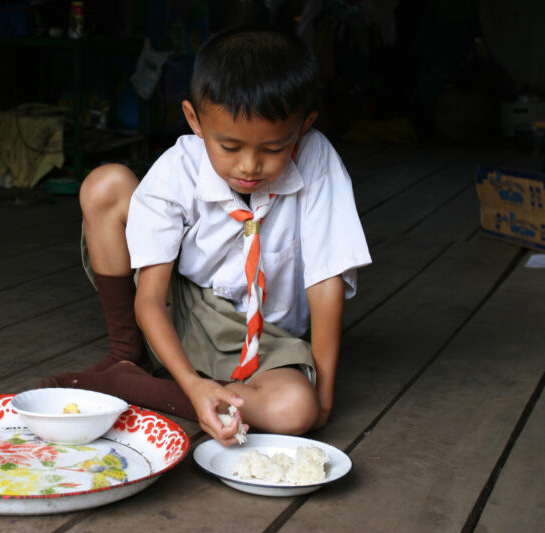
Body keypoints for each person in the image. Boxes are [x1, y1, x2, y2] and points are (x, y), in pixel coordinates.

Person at [40, 27, 371, 446]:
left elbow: (326, 281)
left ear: (303, 127)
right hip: (181, 309)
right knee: (105, 184)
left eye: (273, 149)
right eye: (229, 146)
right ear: (195, 120)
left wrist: (322, 398)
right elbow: (150, 298)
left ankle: (133, 386)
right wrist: (194, 387)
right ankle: (127, 357)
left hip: (265, 337)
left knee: (295, 410)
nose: (250, 166)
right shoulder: (179, 169)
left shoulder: (316, 157)